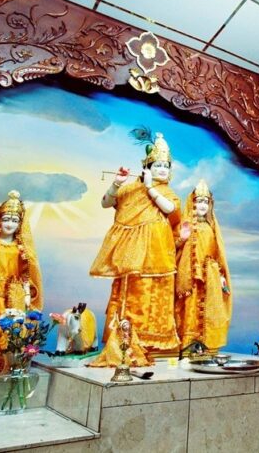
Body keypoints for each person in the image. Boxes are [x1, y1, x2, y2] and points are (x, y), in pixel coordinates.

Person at [90, 132, 181, 365]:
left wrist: (151, 188)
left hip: (159, 252)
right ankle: (125, 343)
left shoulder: (166, 192)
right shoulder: (131, 189)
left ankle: (155, 345)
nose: (163, 170)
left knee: (156, 296)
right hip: (132, 254)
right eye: (157, 165)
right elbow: (106, 203)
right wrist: (117, 183)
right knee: (132, 294)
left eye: (166, 166)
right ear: (147, 167)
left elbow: (170, 209)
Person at [175, 179, 232, 354]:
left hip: (210, 277)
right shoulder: (186, 224)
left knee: (209, 310)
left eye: (206, 202)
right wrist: (182, 239)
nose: (202, 205)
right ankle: (188, 346)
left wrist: (220, 276)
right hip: (191, 276)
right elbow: (173, 248)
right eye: (199, 201)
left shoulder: (211, 226)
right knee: (190, 309)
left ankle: (207, 346)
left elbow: (218, 253)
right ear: (192, 202)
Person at [0, 190, 43, 374]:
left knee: (6, 330)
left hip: (12, 297)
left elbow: (26, 274)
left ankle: (4, 366)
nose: (9, 224)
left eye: (14, 220)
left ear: (20, 224)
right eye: (6, 219)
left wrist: (27, 294)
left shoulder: (21, 249)